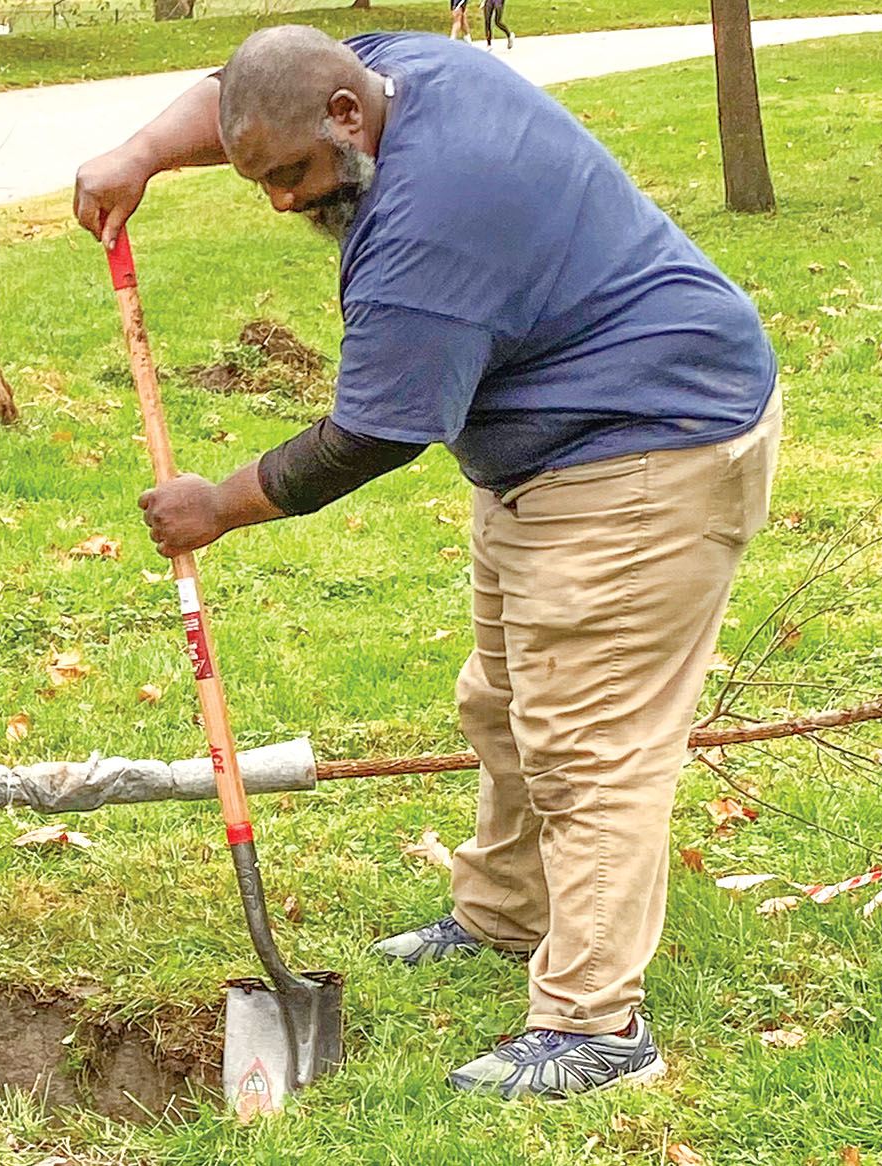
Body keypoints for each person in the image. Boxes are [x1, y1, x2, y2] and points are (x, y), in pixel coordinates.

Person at [74, 26, 779, 1099]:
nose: (279, 201)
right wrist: (141, 153)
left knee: (591, 743)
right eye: (258, 174)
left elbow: (372, 434)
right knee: (504, 703)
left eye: (294, 175)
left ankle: (597, 1026)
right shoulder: (402, 69)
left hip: (650, 444)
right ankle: (503, 912)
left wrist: (216, 504)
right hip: (551, 441)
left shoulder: (432, 227)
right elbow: (237, 90)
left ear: (348, 119)